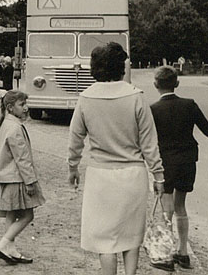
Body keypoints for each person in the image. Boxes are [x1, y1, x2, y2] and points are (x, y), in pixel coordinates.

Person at [67, 42, 165, 275]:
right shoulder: (136, 97)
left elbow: (75, 139)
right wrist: (158, 175)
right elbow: (149, 143)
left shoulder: (86, 98)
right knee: (131, 236)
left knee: (104, 239)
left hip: (100, 176)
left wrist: (73, 167)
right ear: (121, 67)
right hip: (132, 176)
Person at [151, 66, 208, 269]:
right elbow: (207, 127)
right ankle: (183, 253)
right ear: (177, 83)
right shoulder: (189, 105)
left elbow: (148, 139)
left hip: (165, 163)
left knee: (167, 210)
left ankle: (166, 254)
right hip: (187, 161)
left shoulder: (153, 109)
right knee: (181, 206)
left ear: (156, 85)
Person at [0, 90, 45, 265]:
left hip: (5, 177)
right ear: (10, 108)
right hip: (16, 178)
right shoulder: (15, 127)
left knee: (12, 213)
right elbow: (22, 158)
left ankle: (10, 249)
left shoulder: (6, 123)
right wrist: (31, 181)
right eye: (22, 105)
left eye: (26, 104)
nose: (26, 108)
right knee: (28, 216)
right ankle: (2, 245)